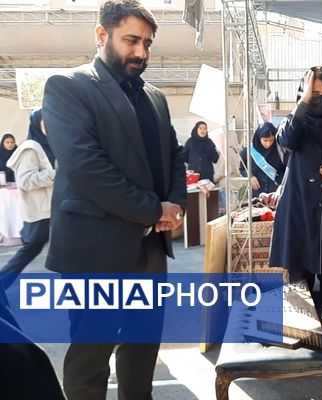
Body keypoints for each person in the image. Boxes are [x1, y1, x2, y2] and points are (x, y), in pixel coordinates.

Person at [42, 1, 186, 398]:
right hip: (95, 248)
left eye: (148, 43)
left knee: (142, 353)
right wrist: (154, 209)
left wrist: (176, 202)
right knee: (91, 358)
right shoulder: (67, 86)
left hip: (150, 250)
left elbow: (174, 156)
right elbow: (87, 168)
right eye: (132, 40)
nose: (142, 52)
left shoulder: (154, 96)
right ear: (101, 35)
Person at [269, 66, 322, 326]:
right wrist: (304, 100)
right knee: (298, 281)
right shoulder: (295, 122)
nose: (320, 98)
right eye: (312, 93)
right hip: (299, 211)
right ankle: (301, 337)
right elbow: (286, 140)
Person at [1, 109, 54, 289]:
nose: (49, 124)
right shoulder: (30, 147)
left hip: (50, 208)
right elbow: (25, 180)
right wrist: (55, 175)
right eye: (44, 121)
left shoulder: (49, 144)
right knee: (31, 247)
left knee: (36, 247)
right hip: (40, 210)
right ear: (36, 123)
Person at [239, 122, 286, 197]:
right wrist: (250, 176)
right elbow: (242, 168)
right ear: (258, 138)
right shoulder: (249, 151)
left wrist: (279, 182)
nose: (268, 144)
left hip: (276, 193)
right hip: (257, 192)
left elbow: (286, 169)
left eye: (271, 140)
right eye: (265, 140)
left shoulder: (280, 150)